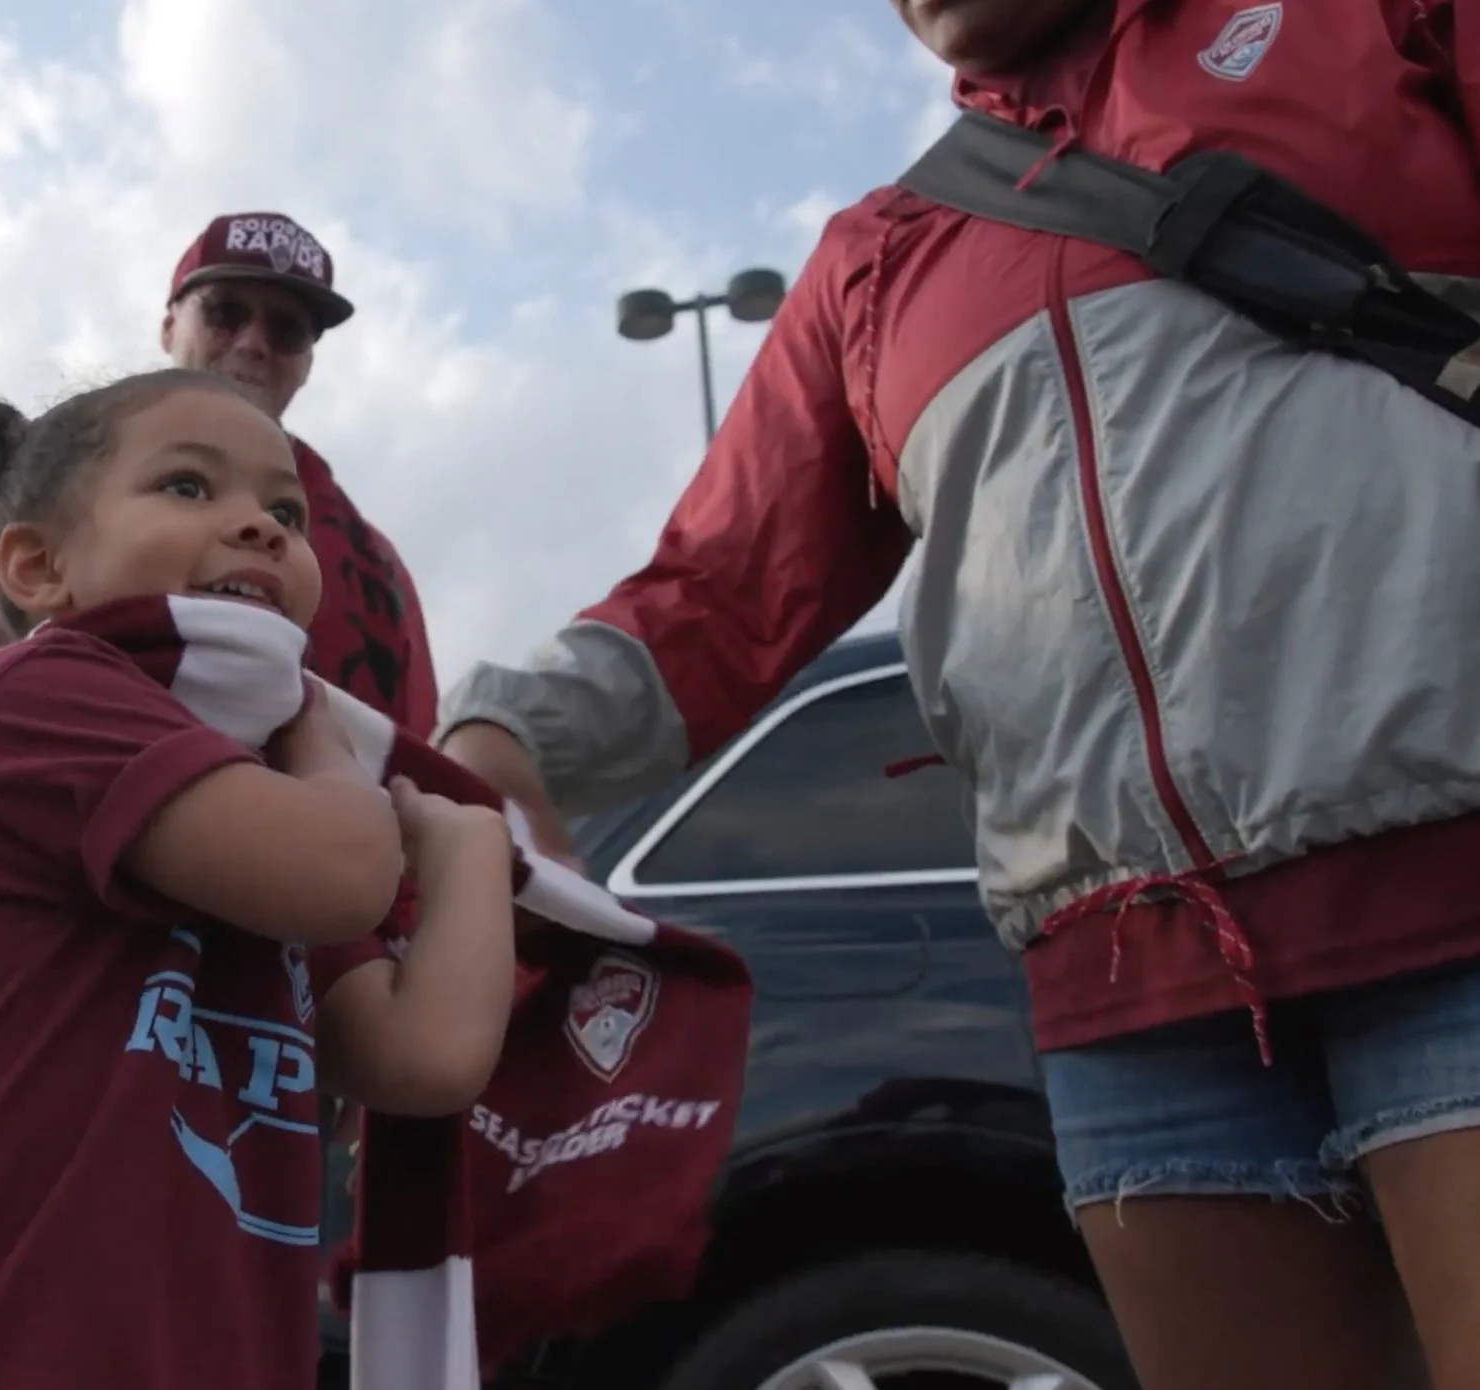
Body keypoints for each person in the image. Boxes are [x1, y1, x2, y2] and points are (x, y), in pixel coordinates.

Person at [434, 2, 1480, 1387]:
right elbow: (718, 591)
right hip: (1131, 1008)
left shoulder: (1363, 24)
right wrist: (502, 725)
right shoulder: (878, 259)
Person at [0, 369, 516, 1390]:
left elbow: (421, 1055)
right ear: (40, 566)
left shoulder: (265, 813)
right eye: (188, 487)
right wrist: (322, 740)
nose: (259, 527)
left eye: (282, 509)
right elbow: (344, 873)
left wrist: (474, 849)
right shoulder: (36, 697)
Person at [0, 210, 440, 1021]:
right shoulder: (59, 491)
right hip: (48, 968)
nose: (256, 341)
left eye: (289, 327)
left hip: (285, 1005)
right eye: (226, 311)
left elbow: (403, 766)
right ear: (170, 324)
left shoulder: (367, 565)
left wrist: (381, 963)